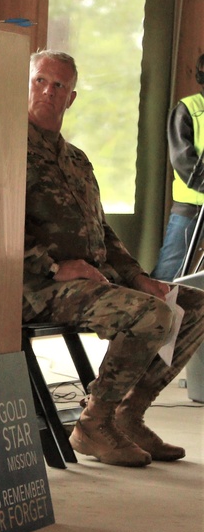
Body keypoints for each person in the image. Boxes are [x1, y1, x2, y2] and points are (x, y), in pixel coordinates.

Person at [23, 49, 204, 467]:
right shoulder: (5, 149)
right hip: (37, 286)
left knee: (191, 306)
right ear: (26, 83)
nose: (48, 92)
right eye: (39, 81)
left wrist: (139, 277)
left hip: (90, 281)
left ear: (70, 98)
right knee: (150, 315)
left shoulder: (77, 161)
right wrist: (53, 267)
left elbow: (103, 232)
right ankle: (93, 424)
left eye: (59, 86)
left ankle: (127, 415)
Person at [151, 53, 204, 281]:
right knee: (168, 272)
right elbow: (183, 161)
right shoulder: (188, 109)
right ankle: (154, 312)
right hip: (191, 208)